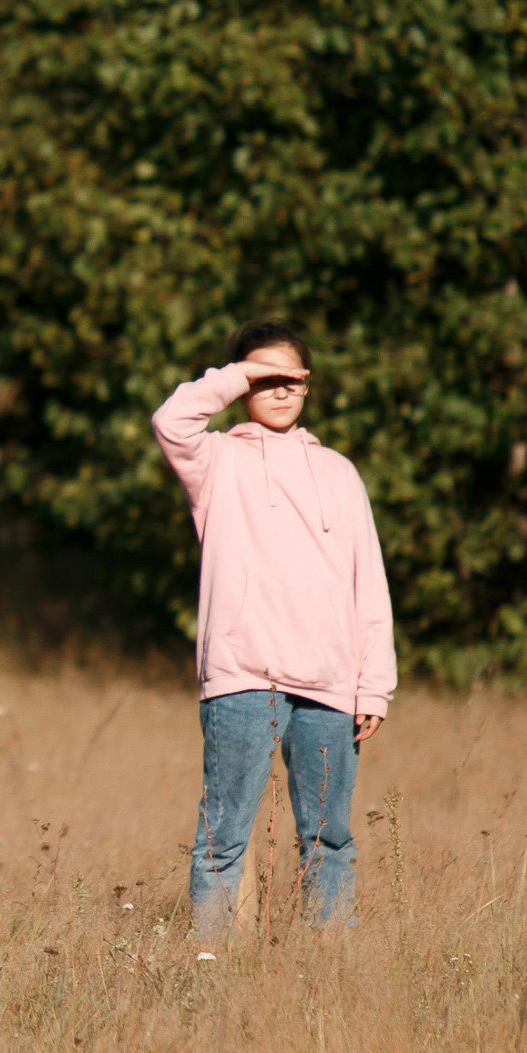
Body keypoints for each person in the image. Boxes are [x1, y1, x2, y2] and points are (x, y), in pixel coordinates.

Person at [152, 318, 396, 939]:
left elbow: (367, 581)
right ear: (242, 385)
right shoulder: (216, 460)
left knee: (329, 839)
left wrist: (374, 684)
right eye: (266, 378)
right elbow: (171, 420)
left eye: (293, 378)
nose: (281, 389)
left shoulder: (339, 472)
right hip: (242, 677)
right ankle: (209, 964)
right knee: (223, 836)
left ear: (309, 386)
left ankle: (326, 965)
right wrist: (241, 374)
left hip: (330, 685)